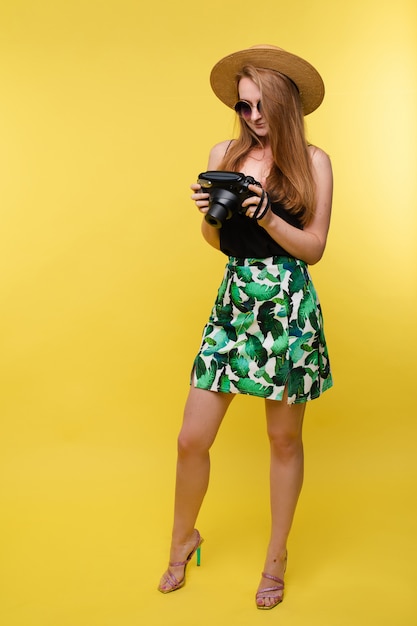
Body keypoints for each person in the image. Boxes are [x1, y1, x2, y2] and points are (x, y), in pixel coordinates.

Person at [158, 44, 333, 610]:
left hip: (285, 306)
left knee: (283, 440)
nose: (251, 118)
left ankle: (276, 558)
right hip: (235, 303)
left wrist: (266, 214)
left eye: (260, 107)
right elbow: (216, 244)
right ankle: (185, 539)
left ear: (284, 105)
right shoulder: (224, 154)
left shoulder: (314, 161)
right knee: (192, 439)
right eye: (243, 107)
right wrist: (211, 215)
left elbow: (314, 249)